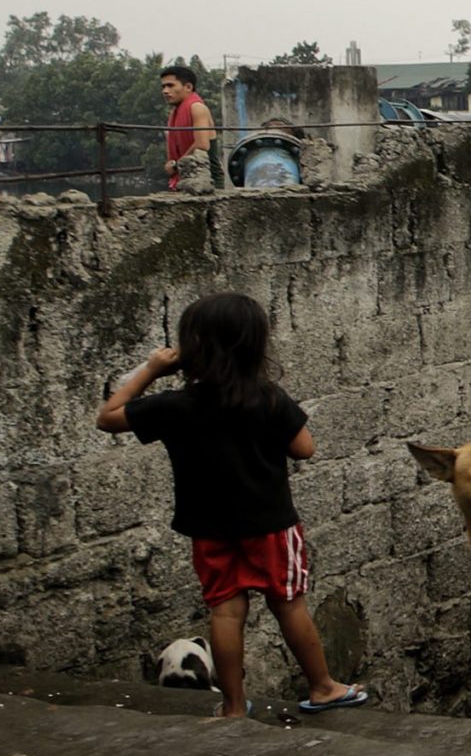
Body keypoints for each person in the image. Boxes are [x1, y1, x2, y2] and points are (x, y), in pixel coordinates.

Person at [96, 292, 366, 719]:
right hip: (271, 527)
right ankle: (323, 686)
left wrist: (151, 369)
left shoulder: (175, 406)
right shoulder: (268, 398)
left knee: (225, 611)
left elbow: (108, 416)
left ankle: (234, 705)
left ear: (191, 349)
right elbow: (306, 449)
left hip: (209, 530)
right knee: (289, 604)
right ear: (256, 347)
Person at [159, 64, 214, 191]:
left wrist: (176, 165)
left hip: (207, 180)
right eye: (163, 87)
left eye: (170, 85)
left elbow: (202, 145)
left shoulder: (197, 108)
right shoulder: (176, 113)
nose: (165, 91)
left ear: (188, 87)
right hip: (187, 178)